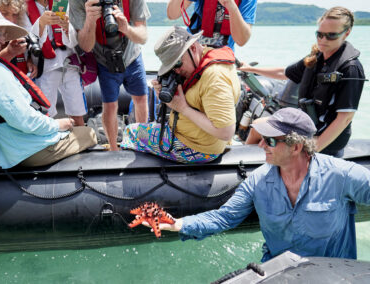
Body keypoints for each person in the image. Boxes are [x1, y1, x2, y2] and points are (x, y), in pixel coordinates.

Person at [149, 107, 370, 261]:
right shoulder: (257, 181)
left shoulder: (341, 175)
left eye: (271, 140)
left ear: (296, 147)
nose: (261, 144)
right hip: (280, 272)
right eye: (263, 138)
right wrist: (179, 223)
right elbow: (224, 217)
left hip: (331, 274)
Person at [0, 0, 97, 169]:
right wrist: (58, 124)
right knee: (89, 133)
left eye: (2, 33)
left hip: (4, 147)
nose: (2, 40)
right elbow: (24, 120)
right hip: (25, 150)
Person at [239, 7, 365, 157]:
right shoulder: (316, 57)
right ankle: (250, 168)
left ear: (347, 33)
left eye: (331, 36)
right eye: (320, 34)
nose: (323, 40)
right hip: (304, 125)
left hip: (323, 138)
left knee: (275, 143)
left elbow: (344, 119)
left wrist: (313, 149)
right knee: (257, 128)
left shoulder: (351, 69)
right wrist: (251, 70)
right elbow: (284, 73)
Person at [120, 26, 240, 163]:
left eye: (177, 63)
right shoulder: (204, 58)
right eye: (171, 67)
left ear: (193, 48)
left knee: (131, 132)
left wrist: (182, 108)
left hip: (196, 148)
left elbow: (226, 132)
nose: (176, 71)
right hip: (197, 137)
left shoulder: (215, 78)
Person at [69, 0, 150, 151]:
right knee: (110, 105)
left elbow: (143, 37)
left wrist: (126, 29)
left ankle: (142, 143)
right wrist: (90, 20)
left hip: (132, 54)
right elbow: (86, 46)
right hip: (104, 58)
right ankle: (113, 148)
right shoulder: (78, 2)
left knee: (141, 98)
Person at [23, 0, 87, 126]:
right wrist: (41, 23)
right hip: (44, 67)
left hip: (69, 63)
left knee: (77, 113)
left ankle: (82, 143)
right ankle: (51, 145)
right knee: (47, 115)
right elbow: (26, 38)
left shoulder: (62, 3)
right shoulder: (24, 7)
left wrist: (67, 27)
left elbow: (74, 39)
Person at [167, 0, 257, 49]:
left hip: (222, 59)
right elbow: (172, 14)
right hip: (193, 54)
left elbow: (241, 41)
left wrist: (231, 6)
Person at [0, 0, 38, 78]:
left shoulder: (19, 32)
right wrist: (8, 53)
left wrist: (28, 62)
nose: (11, 20)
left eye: (15, 14)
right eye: (4, 13)